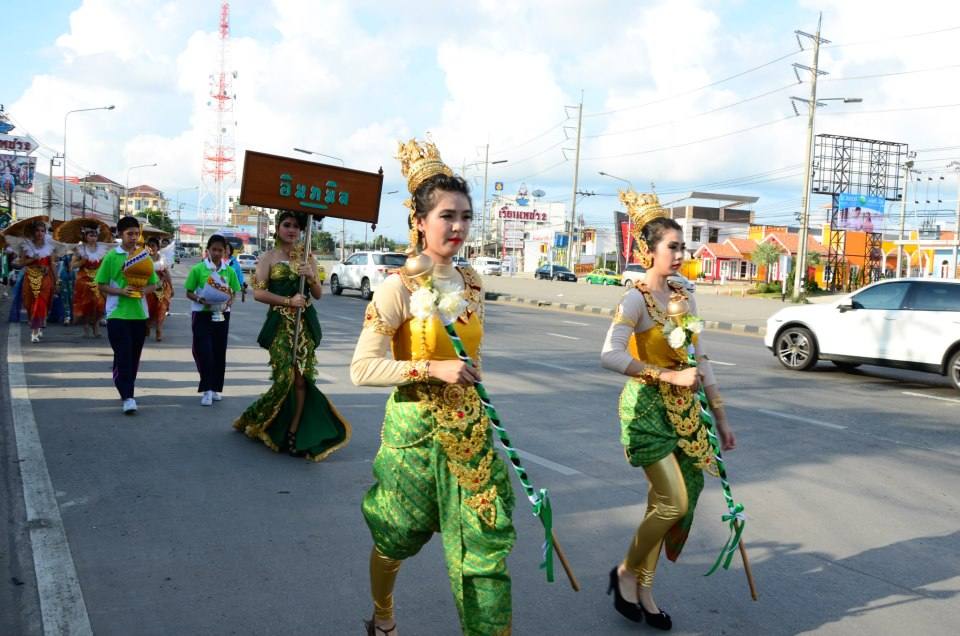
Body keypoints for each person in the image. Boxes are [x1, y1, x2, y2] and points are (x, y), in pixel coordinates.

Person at [351, 139, 515, 636]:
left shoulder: (472, 281)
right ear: (421, 221)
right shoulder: (397, 286)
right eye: (448, 215)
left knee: (485, 546)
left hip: (469, 433)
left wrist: (471, 377)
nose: (459, 227)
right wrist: (430, 369)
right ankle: (382, 613)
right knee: (396, 535)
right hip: (415, 432)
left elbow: (472, 352)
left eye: (466, 216)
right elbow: (362, 368)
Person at [600, 191, 736, 631]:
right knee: (673, 502)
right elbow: (610, 354)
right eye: (672, 247)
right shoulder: (634, 299)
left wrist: (720, 416)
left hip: (684, 415)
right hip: (644, 414)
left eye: (683, 247)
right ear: (649, 251)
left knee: (664, 503)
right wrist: (665, 375)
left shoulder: (685, 296)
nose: (680, 254)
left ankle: (645, 586)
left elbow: (701, 358)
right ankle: (624, 571)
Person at [233, 212, 350, 458]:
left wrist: (311, 277)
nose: (292, 230)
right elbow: (258, 294)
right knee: (285, 377)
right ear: (277, 228)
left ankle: (294, 430)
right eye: (287, 225)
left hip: (304, 326)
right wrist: (288, 300)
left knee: (301, 379)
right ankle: (258, 417)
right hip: (280, 326)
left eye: (296, 226)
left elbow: (317, 294)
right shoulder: (267, 258)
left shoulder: (307, 257)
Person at [95, 216, 158, 414]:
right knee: (123, 354)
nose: (133, 237)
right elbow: (101, 284)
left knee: (133, 357)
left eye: (136, 234)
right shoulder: (112, 257)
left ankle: (125, 387)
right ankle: (128, 396)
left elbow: (153, 283)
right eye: (129, 233)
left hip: (139, 314)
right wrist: (121, 292)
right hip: (117, 313)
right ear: (120, 234)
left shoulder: (144, 257)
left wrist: (142, 292)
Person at [184, 234, 241, 406]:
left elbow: (234, 292)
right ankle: (206, 389)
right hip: (202, 314)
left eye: (220, 250)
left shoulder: (229, 271)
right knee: (205, 352)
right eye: (213, 249)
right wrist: (200, 299)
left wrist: (229, 302)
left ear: (225, 252)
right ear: (207, 250)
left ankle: (215, 388)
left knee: (218, 351)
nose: (216, 253)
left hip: (222, 314)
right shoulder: (198, 269)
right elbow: (188, 292)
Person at [16, 219, 58, 343]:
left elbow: (53, 264)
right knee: (29, 304)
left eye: (42, 231)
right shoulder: (26, 246)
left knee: (40, 303)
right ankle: (37, 325)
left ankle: (34, 331)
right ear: (33, 232)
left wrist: (57, 281)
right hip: (30, 277)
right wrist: (31, 260)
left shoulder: (50, 246)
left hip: (45, 278)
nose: (40, 233)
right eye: (37, 231)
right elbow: (20, 263)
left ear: (45, 232)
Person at [71, 225, 108, 338]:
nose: (93, 237)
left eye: (95, 235)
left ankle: (96, 325)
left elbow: (105, 265)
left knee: (100, 304)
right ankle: (86, 325)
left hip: (98, 279)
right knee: (87, 304)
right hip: (84, 280)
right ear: (85, 236)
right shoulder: (80, 249)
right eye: (91, 235)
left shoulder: (102, 249)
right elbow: (72, 266)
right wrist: (82, 261)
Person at [145, 237, 175, 342]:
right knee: (149, 309)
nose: (151, 248)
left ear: (158, 247)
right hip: (149, 288)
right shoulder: (143, 258)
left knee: (161, 309)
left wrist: (171, 287)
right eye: (149, 246)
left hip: (162, 287)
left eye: (153, 245)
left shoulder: (163, 259)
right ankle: (147, 326)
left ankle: (159, 330)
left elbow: (167, 273)